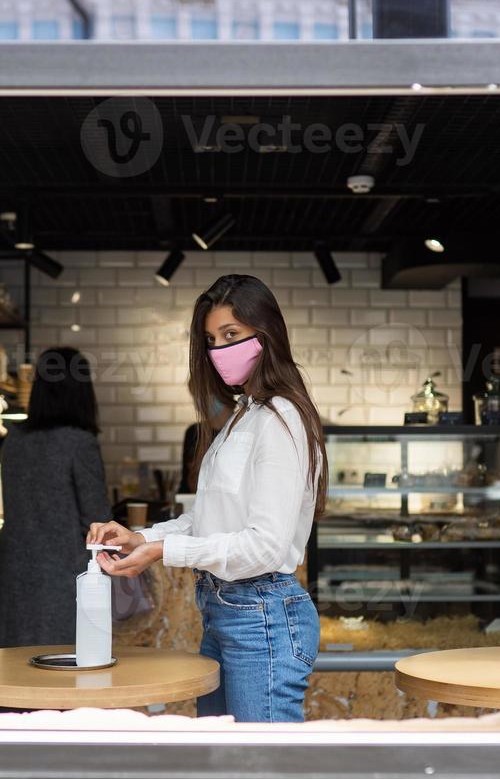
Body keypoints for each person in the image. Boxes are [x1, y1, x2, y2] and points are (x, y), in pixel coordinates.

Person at [88, 274, 327, 722]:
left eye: (231, 335)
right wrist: (141, 538)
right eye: (211, 339)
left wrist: (164, 551)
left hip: (263, 619)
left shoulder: (281, 419)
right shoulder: (244, 416)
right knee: (225, 768)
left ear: (267, 332)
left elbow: (264, 546)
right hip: (227, 611)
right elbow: (209, 519)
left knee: (259, 776)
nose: (219, 351)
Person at [0, 347, 111, 649]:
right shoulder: (79, 442)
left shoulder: (14, 438)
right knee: (61, 673)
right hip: (62, 574)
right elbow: (97, 520)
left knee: (13, 670)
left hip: (12, 567)